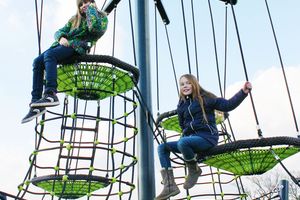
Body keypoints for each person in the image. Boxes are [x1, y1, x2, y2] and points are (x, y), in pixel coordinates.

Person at [155, 74, 252, 200]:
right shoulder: (181, 105)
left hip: (207, 138)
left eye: (188, 83)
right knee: (163, 147)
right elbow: (182, 126)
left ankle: (194, 169)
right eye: (182, 84)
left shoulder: (206, 98)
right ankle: (170, 186)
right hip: (190, 142)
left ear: (194, 84)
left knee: (183, 143)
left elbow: (228, 105)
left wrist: (243, 92)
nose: (185, 86)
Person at [21, 0, 108, 124]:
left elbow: (95, 29)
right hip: (63, 46)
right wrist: (61, 37)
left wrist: (91, 10)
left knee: (50, 55)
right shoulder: (74, 20)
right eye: (81, 5)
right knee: (37, 62)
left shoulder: (101, 18)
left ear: (92, 3)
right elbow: (58, 32)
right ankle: (36, 103)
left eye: (86, 3)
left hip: (78, 46)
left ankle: (51, 93)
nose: (83, 6)